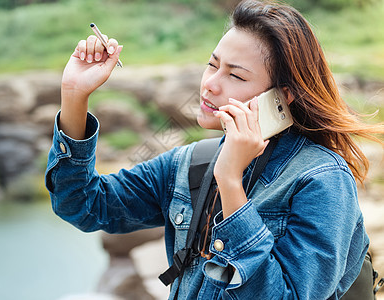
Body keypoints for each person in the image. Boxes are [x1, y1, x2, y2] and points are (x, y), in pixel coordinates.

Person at [45, 0, 383, 298]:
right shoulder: (192, 162)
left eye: (235, 76)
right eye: (212, 64)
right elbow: (84, 205)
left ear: (282, 97)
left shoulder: (322, 180)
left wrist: (230, 183)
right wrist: (75, 96)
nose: (210, 83)